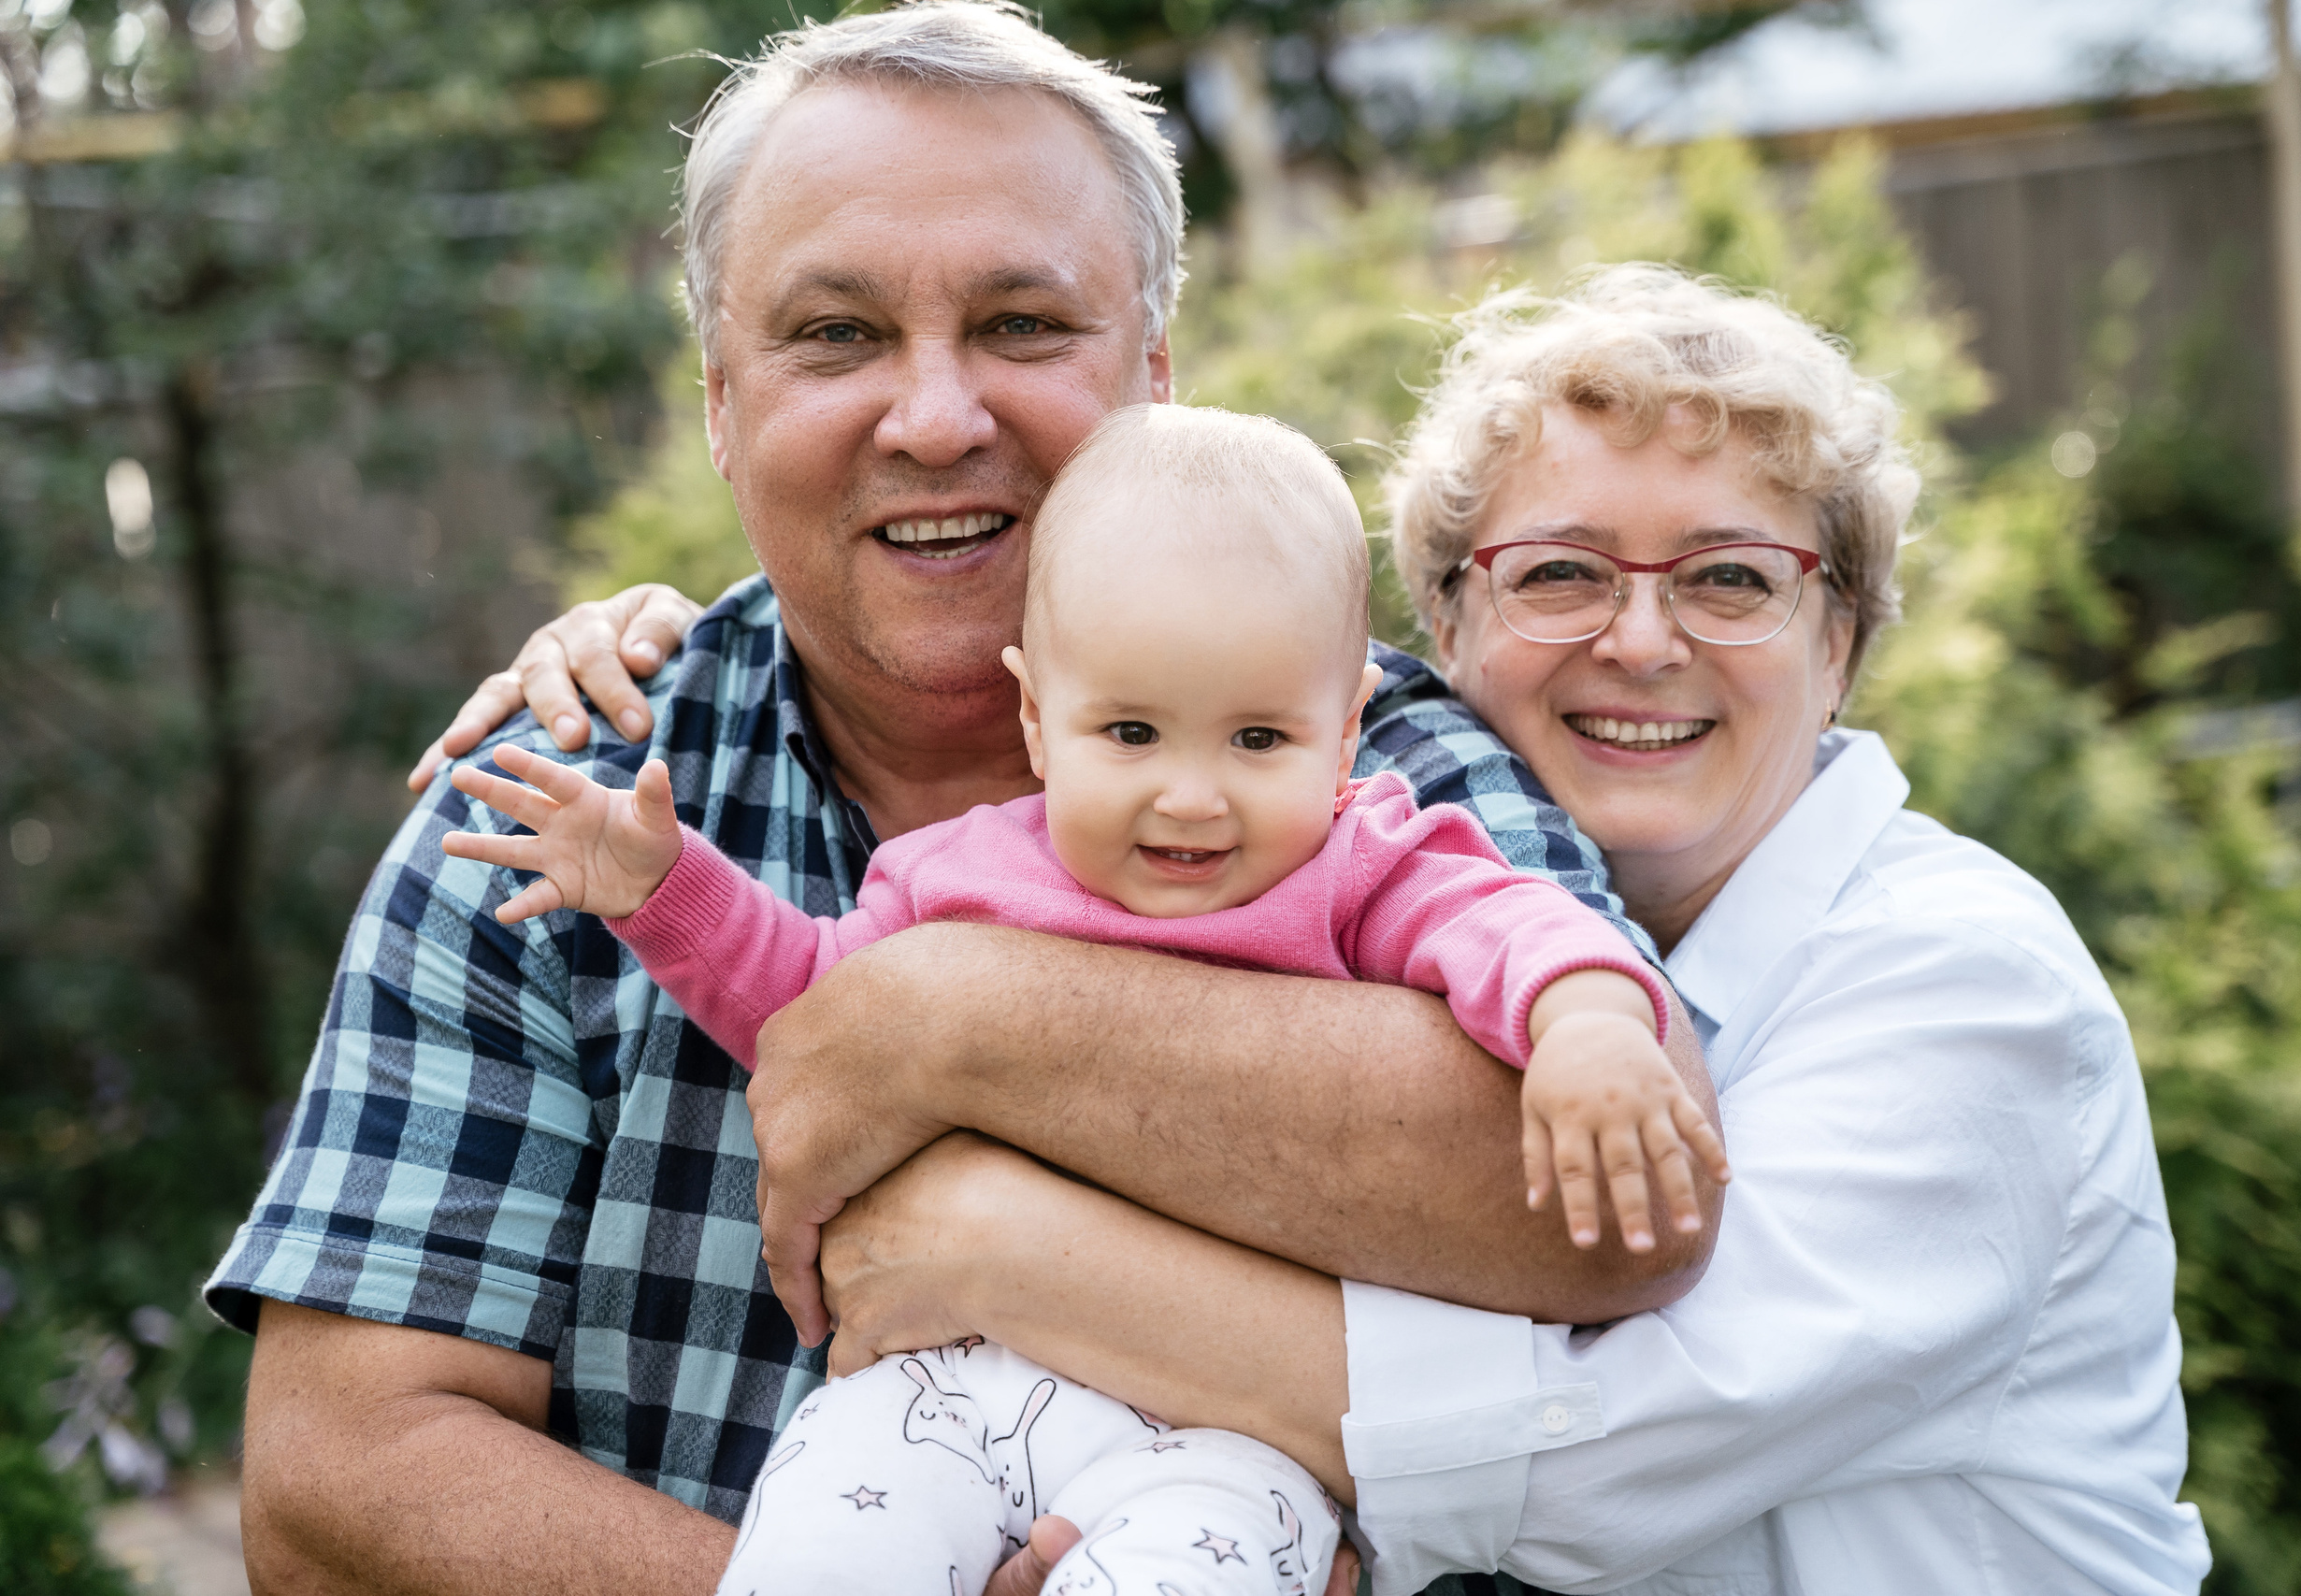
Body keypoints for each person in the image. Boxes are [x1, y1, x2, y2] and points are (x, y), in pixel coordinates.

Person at [208, 9, 1718, 1596]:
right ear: (722, 403)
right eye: (838, 336)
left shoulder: (1378, 760)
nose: (936, 419)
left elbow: (1630, 1217)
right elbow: (331, 1494)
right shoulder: (563, 807)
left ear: (1151, 375)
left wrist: (967, 1013)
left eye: (1019, 324)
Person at [482, 266, 2211, 1594]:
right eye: (1558, 574)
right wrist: (658, 795)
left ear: (1846, 641)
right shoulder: (1439, 919)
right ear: (1439, 635)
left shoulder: (1961, 985)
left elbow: (1602, 1463)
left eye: (1734, 578)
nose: (1641, 639)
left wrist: (1007, 1255)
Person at [445, 405, 1721, 1596]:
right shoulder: (963, 872)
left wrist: (1587, 1023)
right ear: (1039, 721)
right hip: (945, 1394)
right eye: (1130, 735)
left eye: (1258, 741)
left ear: (1344, 740)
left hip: (1237, 1426)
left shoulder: (1364, 859)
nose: (1190, 795)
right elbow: (807, 1008)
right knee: (824, 1545)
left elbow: (1507, 927)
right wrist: (660, 887)